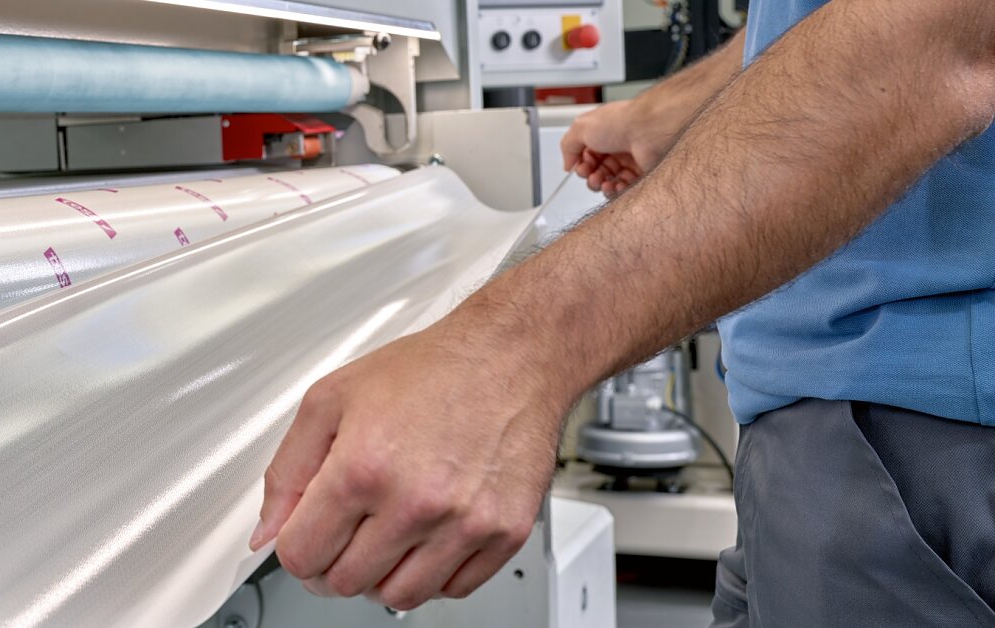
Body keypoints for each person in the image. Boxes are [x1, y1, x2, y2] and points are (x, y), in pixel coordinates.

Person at [249, 1, 995, 625]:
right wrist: (671, 109)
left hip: (919, 448)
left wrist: (510, 357)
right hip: (837, 425)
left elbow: (943, 34)